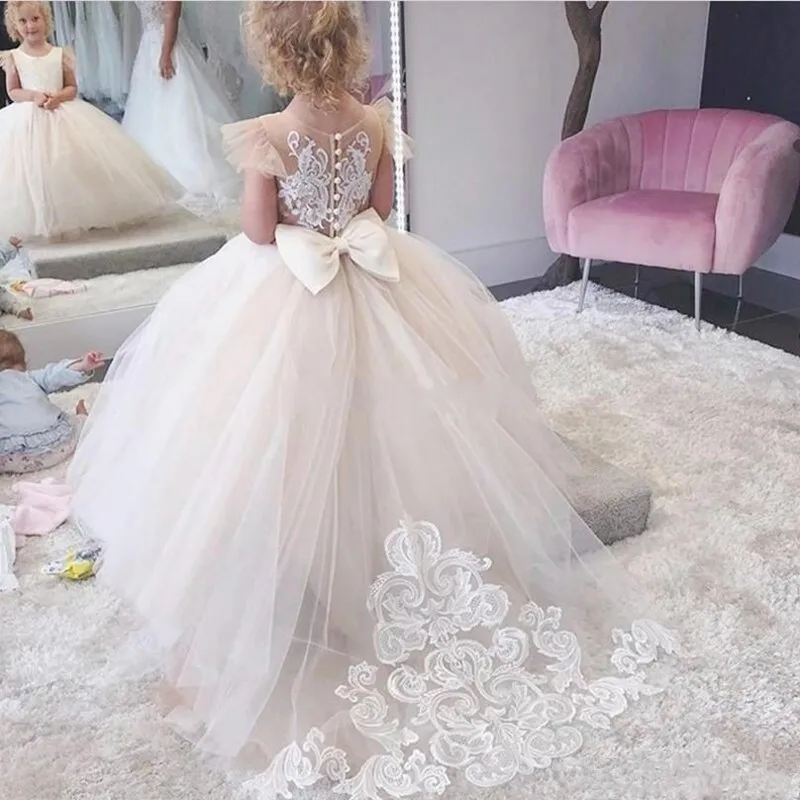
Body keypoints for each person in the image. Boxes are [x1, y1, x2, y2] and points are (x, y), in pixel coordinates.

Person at [68, 3, 678, 796]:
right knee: (396, 424)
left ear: (275, 54)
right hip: (374, 278)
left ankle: (306, 573)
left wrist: (300, 221)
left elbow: (257, 231)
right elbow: (381, 211)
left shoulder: (269, 134)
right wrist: (343, 221)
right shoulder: (375, 122)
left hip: (290, 289)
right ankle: (386, 569)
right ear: (348, 47)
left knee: (271, 432)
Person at [0, 1, 179, 244]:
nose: (30, 26)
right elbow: (13, 91)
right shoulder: (14, 57)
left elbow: (72, 87)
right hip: (28, 121)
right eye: (23, 21)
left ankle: (73, 216)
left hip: (61, 113)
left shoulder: (61, 54)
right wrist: (33, 96)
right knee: (30, 170)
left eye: (35, 19)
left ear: (46, 20)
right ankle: (33, 223)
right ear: (14, 25)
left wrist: (58, 97)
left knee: (66, 166)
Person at [122, 1, 241, 213]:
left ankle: (192, 170)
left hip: (167, 45)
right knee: (152, 111)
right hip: (149, 46)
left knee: (180, 106)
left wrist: (166, 52)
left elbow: (172, 14)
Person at [0, 329, 101, 473]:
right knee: (77, 426)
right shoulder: (30, 377)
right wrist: (82, 366)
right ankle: (82, 418)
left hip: (8, 458)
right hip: (57, 446)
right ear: (22, 361)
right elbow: (55, 374)